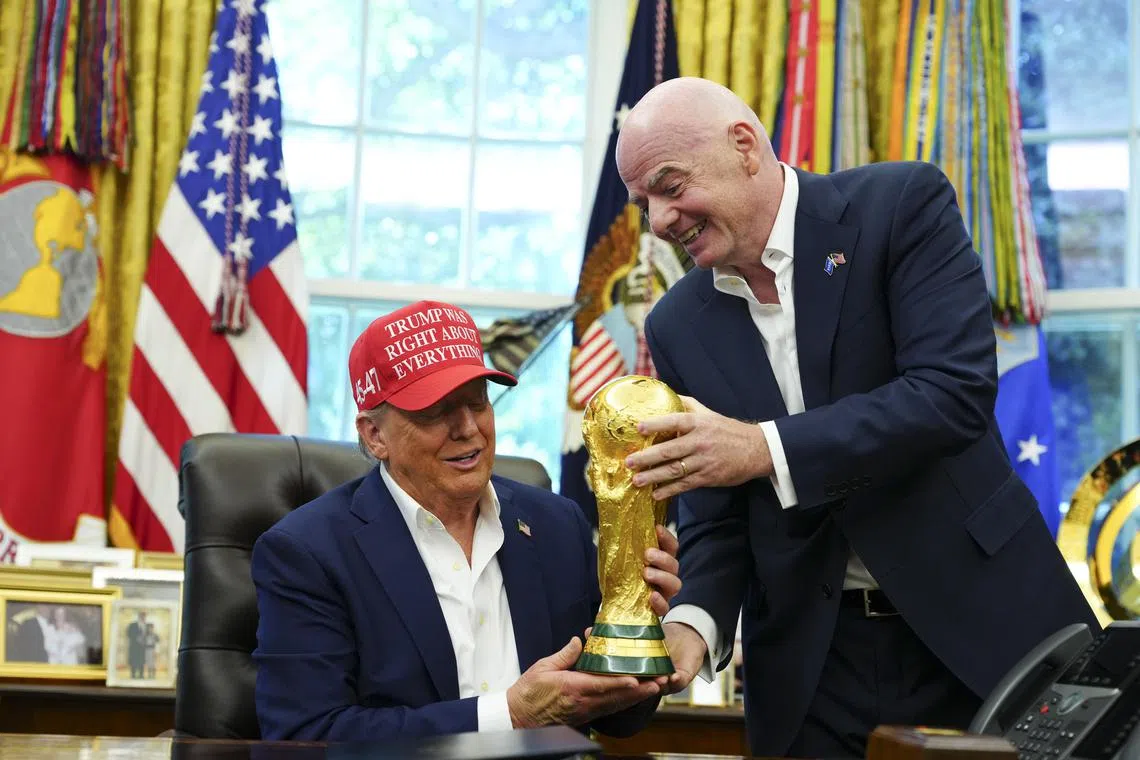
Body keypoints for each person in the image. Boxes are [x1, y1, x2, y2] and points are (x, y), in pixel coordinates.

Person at [614, 77, 1101, 758]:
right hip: (812, 671)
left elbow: (951, 393)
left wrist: (764, 449)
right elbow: (717, 525)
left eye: (670, 187)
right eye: (644, 204)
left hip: (982, 630)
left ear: (745, 147)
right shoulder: (677, 323)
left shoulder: (899, 205)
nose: (660, 220)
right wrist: (692, 627)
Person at [251, 300, 682, 742]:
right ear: (375, 435)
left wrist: (640, 637)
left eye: (478, 401)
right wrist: (510, 715)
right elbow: (303, 737)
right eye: (436, 411)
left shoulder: (557, 525)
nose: (468, 429)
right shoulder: (307, 551)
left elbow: (620, 720)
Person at [126, 611, 147, 678]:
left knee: (141, 661)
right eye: (142, 616)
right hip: (134, 646)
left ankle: (141, 675)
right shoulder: (133, 625)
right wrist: (136, 638)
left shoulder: (146, 625)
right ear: (139, 617)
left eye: (144, 616)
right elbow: (128, 634)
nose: (143, 617)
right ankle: (133, 675)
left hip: (142, 647)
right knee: (134, 661)